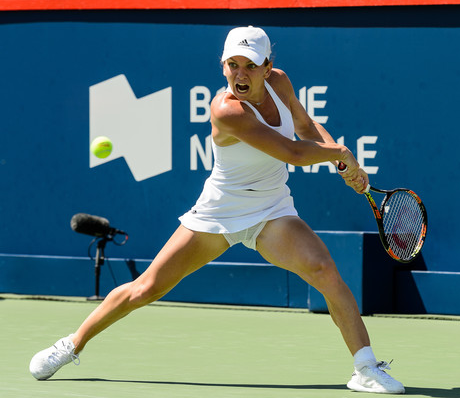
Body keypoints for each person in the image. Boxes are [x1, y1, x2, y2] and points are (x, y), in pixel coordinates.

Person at [29, 26, 405, 394]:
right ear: (223, 65)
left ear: (267, 67)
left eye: (250, 65)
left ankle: (366, 368)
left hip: (272, 209)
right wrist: (340, 155)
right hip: (220, 212)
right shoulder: (227, 110)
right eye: (232, 64)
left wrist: (340, 160)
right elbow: (292, 153)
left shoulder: (281, 83)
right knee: (145, 288)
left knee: (325, 270)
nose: (240, 74)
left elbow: (305, 128)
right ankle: (71, 344)